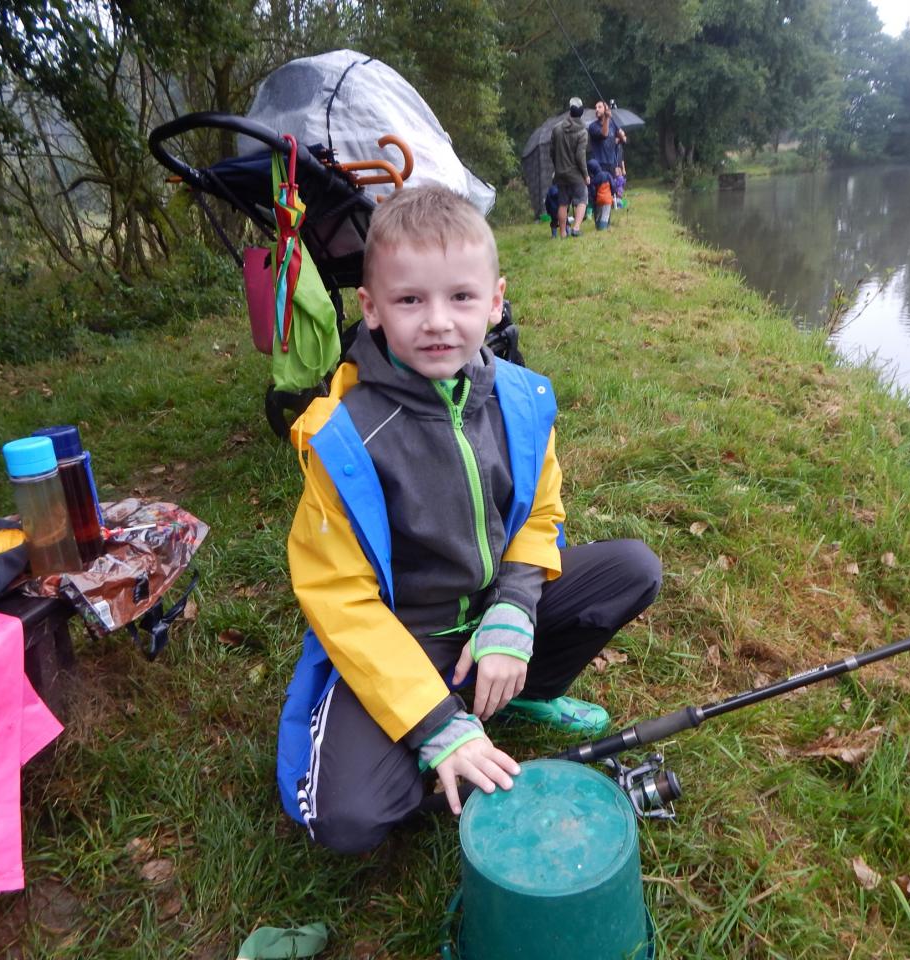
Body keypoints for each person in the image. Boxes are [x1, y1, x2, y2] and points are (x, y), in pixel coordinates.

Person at [276, 185, 663, 854]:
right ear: (370, 308)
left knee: (632, 569)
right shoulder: (342, 438)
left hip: (492, 611)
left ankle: (519, 687)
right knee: (348, 820)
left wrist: (514, 608)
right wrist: (433, 723)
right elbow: (339, 599)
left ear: (495, 301)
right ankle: (447, 719)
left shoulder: (520, 399)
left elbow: (540, 515)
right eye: (409, 300)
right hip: (406, 638)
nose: (437, 322)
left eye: (460, 297)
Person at [548, 97, 590, 238]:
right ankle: (576, 228)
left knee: (563, 203)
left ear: (570, 111)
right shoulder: (583, 132)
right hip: (576, 174)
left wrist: (558, 167)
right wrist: (586, 175)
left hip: (560, 173)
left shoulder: (557, 129)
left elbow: (551, 152)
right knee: (582, 198)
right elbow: (580, 156)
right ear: (581, 112)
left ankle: (563, 233)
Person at [588, 100, 627, 176]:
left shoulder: (612, 124)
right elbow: (604, 135)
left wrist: (621, 136)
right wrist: (607, 117)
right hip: (599, 165)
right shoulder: (593, 126)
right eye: (596, 108)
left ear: (606, 109)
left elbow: (624, 140)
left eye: (599, 107)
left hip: (612, 165)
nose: (596, 109)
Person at [588, 158, 613, 231]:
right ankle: (604, 228)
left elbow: (593, 191)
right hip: (607, 198)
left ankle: (598, 227)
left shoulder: (593, 179)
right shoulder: (607, 174)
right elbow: (613, 185)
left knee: (598, 214)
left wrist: (594, 199)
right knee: (606, 214)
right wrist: (613, 192)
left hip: (598, 199)